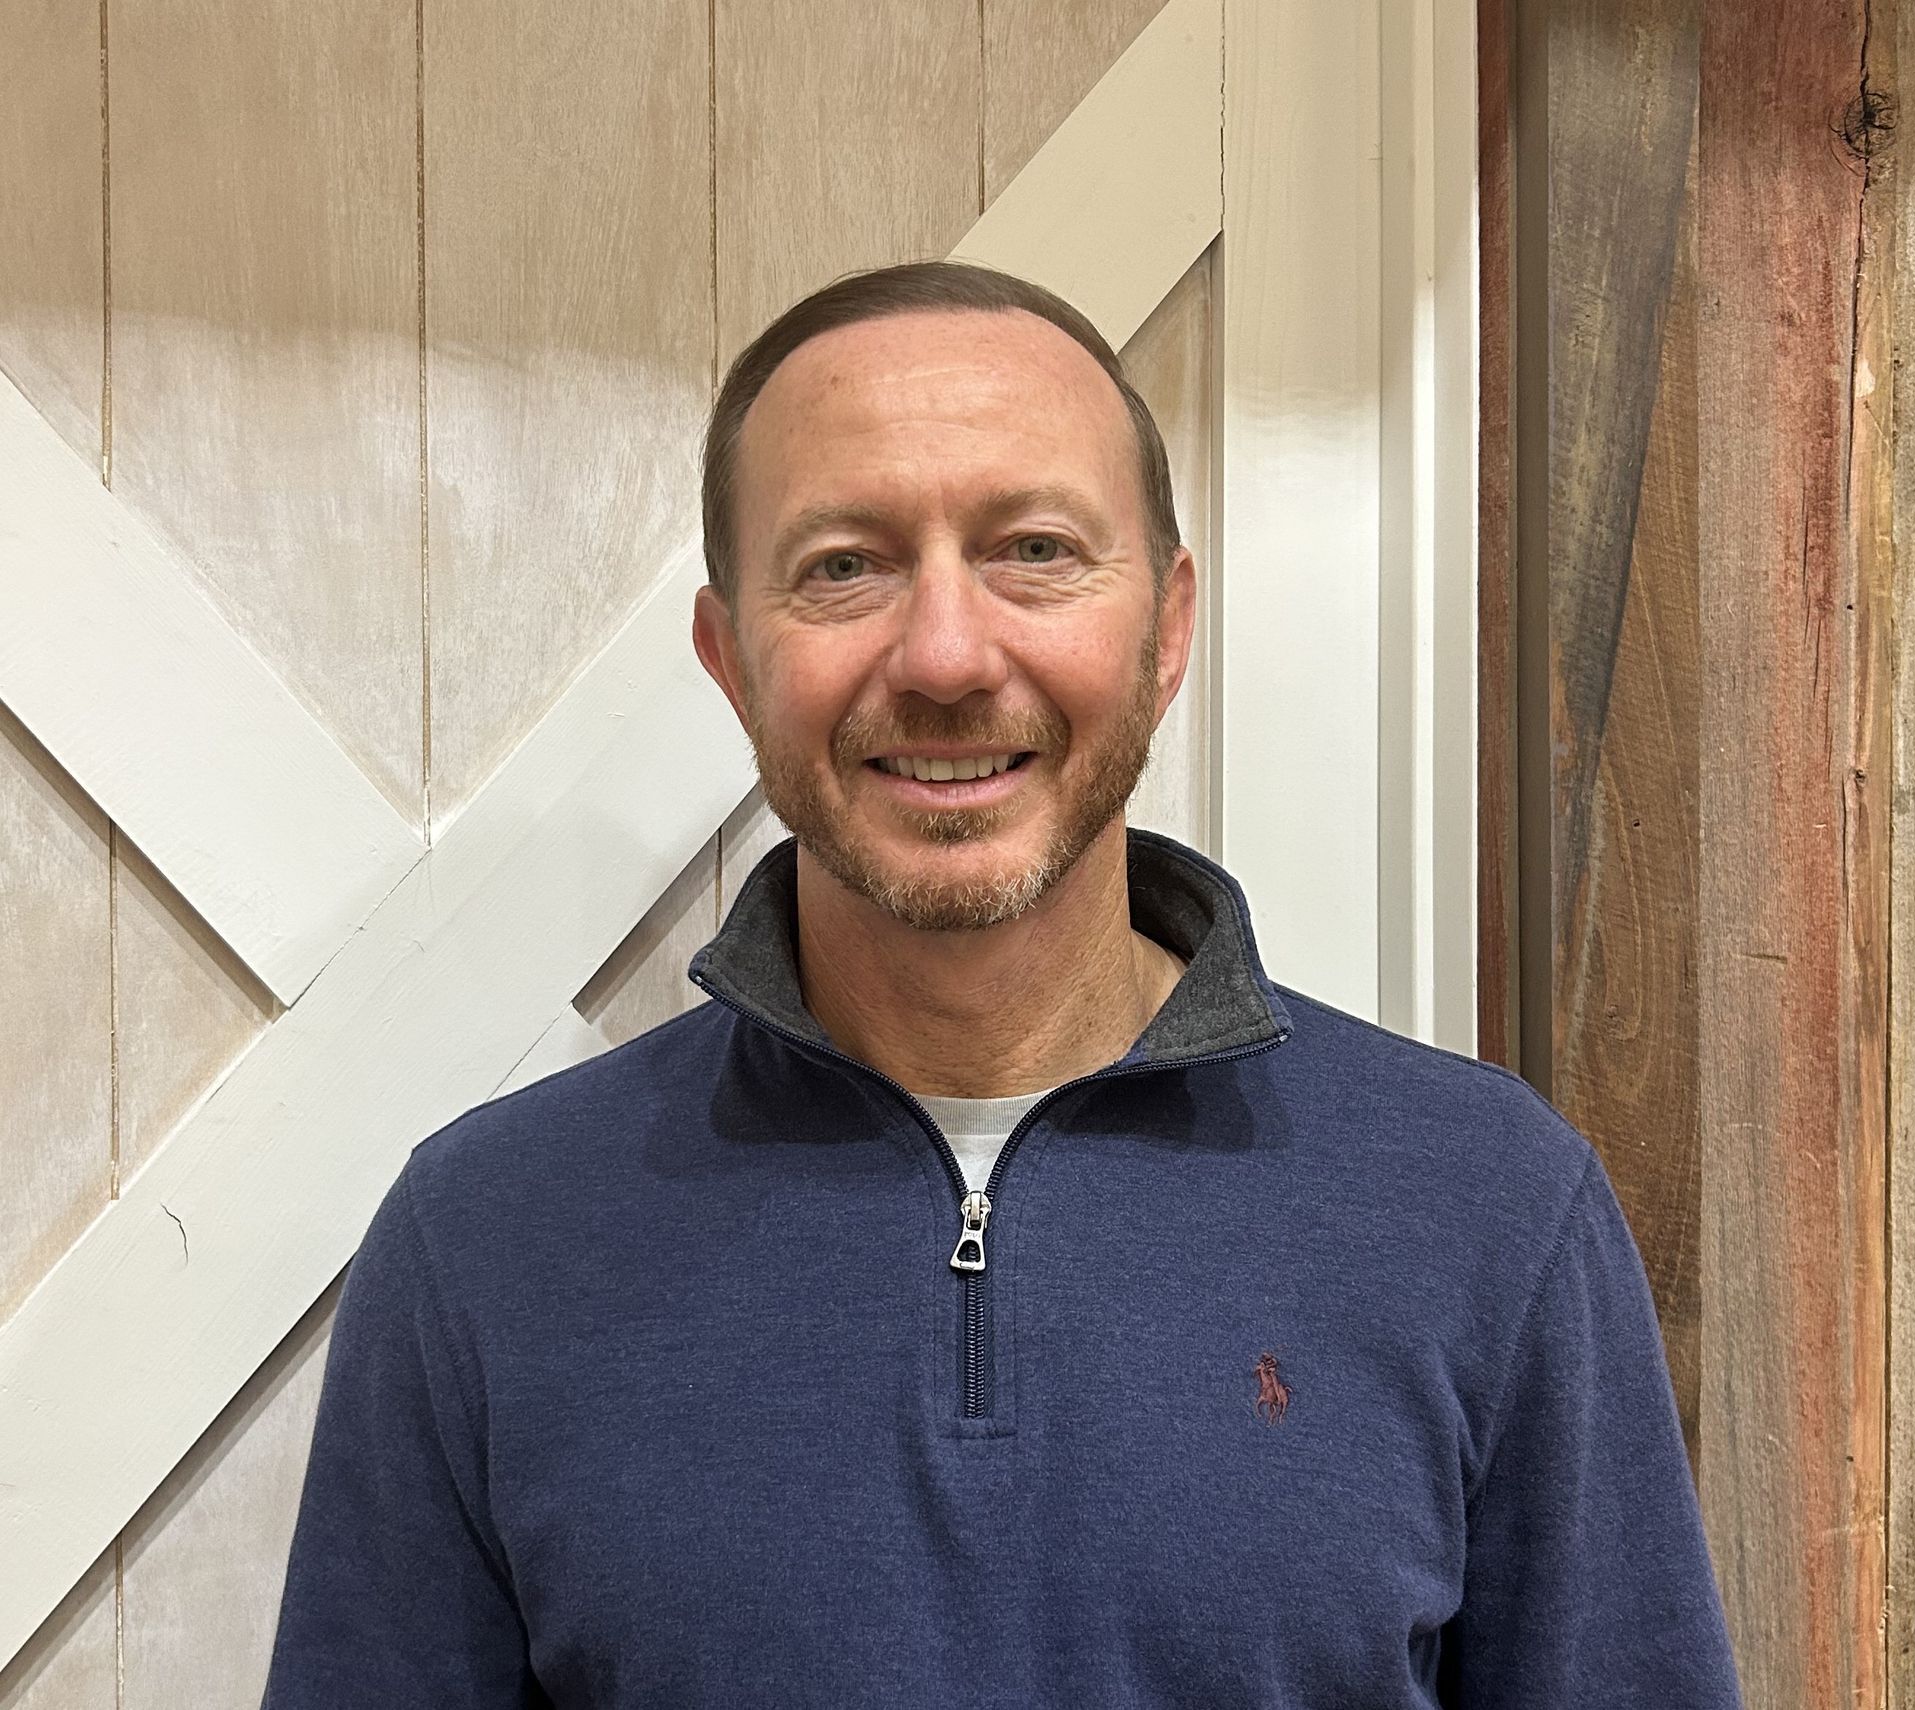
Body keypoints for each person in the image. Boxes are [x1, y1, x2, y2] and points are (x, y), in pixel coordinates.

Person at [261, 261, 1744, 1708]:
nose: (950, 653)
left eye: (1034, 548)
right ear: (730, 662)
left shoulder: (1486, 1212)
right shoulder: (483, 1250)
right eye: (844, 565)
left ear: (1164, 629)